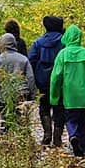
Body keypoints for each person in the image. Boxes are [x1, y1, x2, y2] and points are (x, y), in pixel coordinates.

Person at [49, 25, 85, 157]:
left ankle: (73, 135)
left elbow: (56, 76)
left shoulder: (62, 54)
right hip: (84, 92)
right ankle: (82, 146)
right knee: (82, 117)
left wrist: (54, 95)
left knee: (70, 117)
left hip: (69, 92)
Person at [28, 16, 66, 146]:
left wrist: (34, 78)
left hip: (42, 80)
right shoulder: (64, 42)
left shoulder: (38, 43)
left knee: (44, 107)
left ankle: (47, 134)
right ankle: (57, 137)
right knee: (60, 108)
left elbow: (31, 60)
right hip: (61, 81)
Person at [0, 33, 33, 133]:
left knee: (5, 116)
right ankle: (21, 136)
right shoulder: (24, 59)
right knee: (20, 118)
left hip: (5, 94)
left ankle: (7, 135)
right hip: (22, 94)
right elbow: (31, 78)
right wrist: (31, 95)